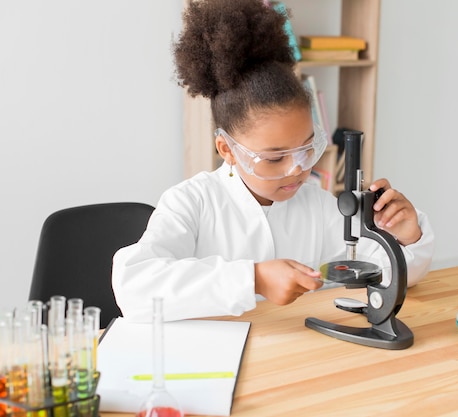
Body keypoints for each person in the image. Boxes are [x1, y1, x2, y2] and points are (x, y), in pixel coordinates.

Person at [112, 0, 434, 322]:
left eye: (306, 148)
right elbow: (134, 288)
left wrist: (407, 236)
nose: (296, 168)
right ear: (226, 149)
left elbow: (390, 273)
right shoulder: (192, 203)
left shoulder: (319, 207)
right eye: (275, 157)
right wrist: (254, 279)